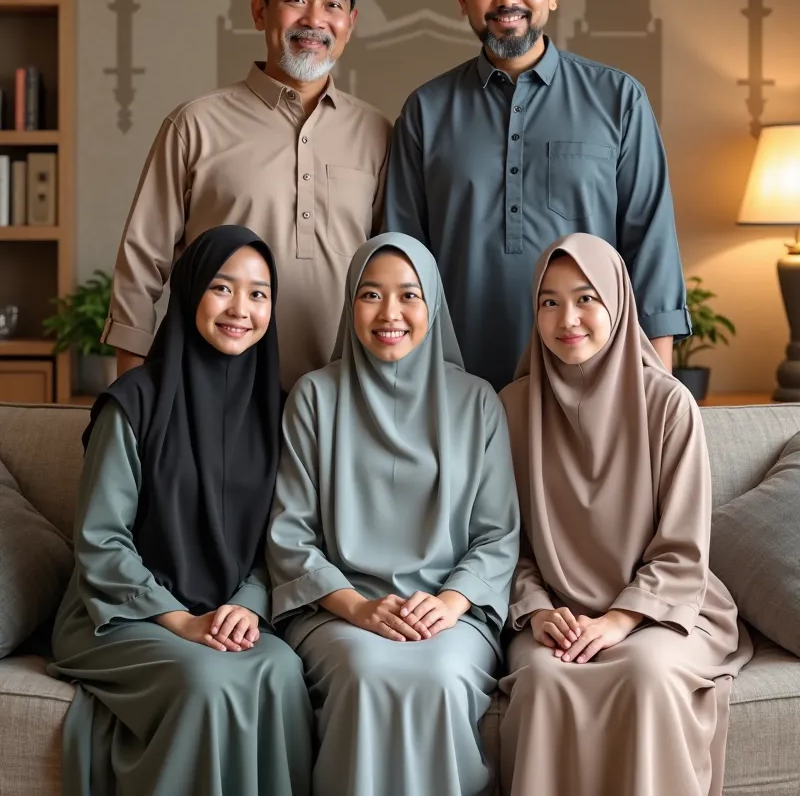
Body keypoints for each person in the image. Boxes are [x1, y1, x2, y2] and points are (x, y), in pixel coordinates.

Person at [48, 226, 313, 796]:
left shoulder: (281, 410)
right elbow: (102, 541)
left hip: (224, 614)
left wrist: (247, 604)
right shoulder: (133, 403)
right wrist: (180, 620)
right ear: (191, 291)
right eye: (223, 288)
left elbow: (283, 538)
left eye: (259, 293)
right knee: (206, 681)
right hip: (120, 614)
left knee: (284, 672)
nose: (241, 309)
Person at [384, 0, 688, 391]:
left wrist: (657, 390)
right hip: (454, 383)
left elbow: (650, 246)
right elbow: (401, 259)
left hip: (593, 378)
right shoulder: (426, 109)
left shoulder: (618, 99)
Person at [497, 233, 752, 796]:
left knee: (646, 673)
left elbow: (684, 549)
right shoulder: (511, 409)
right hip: (556, 615)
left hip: (664, 610)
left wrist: (619, 620)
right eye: (550, 301)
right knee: (541, 678)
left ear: (618, 302)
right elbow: (503, 544)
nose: (569, 318)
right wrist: (538, 612)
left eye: (587, 298)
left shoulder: (668, 404)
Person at [267, 232, 520, 796]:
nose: (390, 314)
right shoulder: (312, 398)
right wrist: (357, 607)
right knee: (364, 673)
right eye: (370, 295)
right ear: (350, 305)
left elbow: (497, 535)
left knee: (438, 674)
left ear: (432, 305)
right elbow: (290, 534)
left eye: (409, 295)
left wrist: (448, 604)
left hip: (449, 612)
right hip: (337, 610)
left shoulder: (478, 402)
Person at [104, 0, 391, 391]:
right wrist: (130, 401)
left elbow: (391, 271)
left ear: (350, 23)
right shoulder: (194, 124)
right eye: (295, 0)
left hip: (342, 399)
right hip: (214, 391)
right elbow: (140, 265)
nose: (314, 20)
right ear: (259, 11)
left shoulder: (378, 133)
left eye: (333, 5)